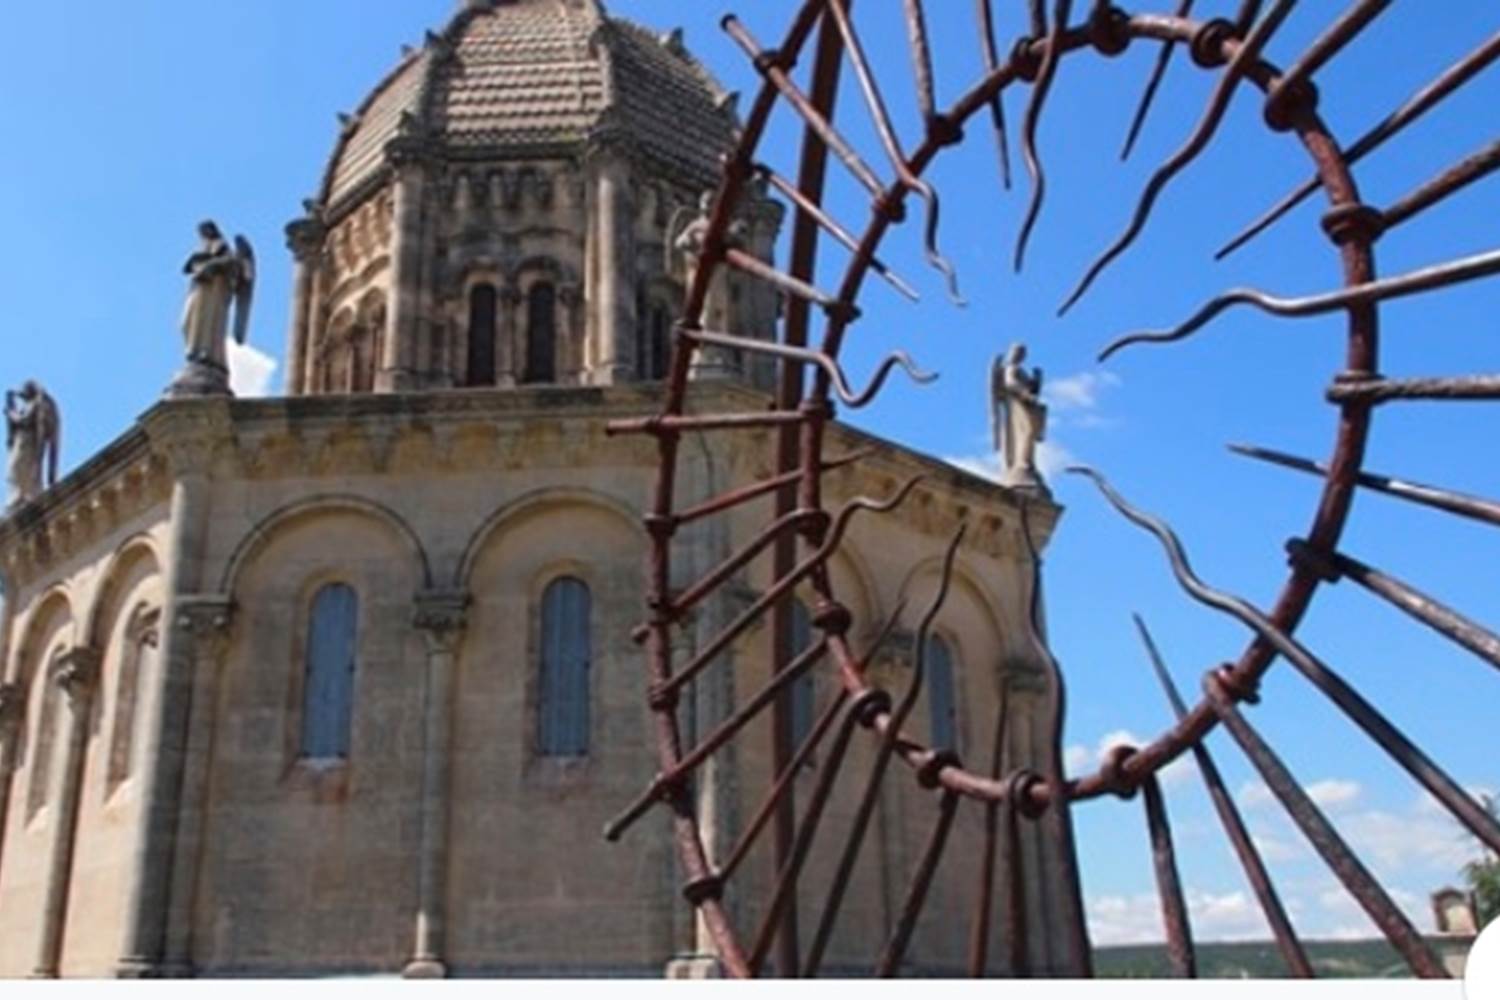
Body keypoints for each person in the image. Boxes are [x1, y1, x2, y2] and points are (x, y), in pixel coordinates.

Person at [991, 343, 1048, 488]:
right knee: (1026, 431)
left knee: (1031, 432)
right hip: (1017, 405)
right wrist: (1025, 394)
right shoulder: (1011, 368)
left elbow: (1033, 389)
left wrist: (1037, 380)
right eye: (1018, 352)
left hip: (1026, 403)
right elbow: (1010, 383)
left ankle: (1027, 461)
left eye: (1022, 353)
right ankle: (1021, 462)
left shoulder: (1021, 371)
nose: (1020, 355)